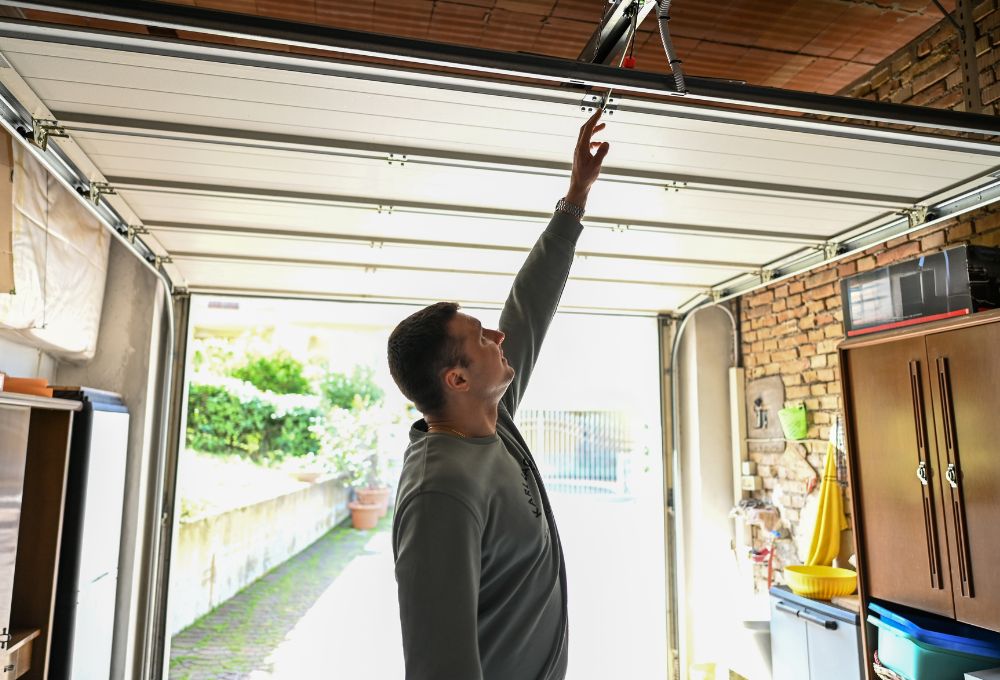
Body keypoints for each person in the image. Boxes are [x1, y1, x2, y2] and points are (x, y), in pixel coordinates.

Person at [386, 108, 610, 680]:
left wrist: (575, 198)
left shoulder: (491, 421)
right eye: (479, 338)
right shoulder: (441, 490)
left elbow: (528, 305)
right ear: (456, 380)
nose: (498, 335)